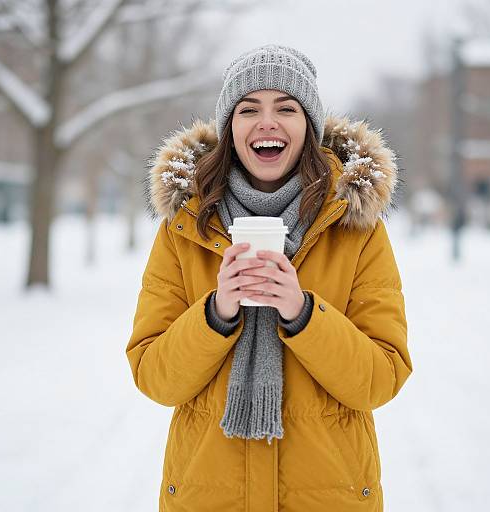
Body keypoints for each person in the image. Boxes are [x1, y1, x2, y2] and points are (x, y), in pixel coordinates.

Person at [126, 44, 413, 512]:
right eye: (248, 109)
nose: (267, 122)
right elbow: (155, 378)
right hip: (207, 497)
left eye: (286, 108)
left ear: (309, 127)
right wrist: (216, 313)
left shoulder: (356, 230)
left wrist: (303, 313)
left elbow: (379, 379)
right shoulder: (185, 227)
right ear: (230, 129)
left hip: (329, 497)